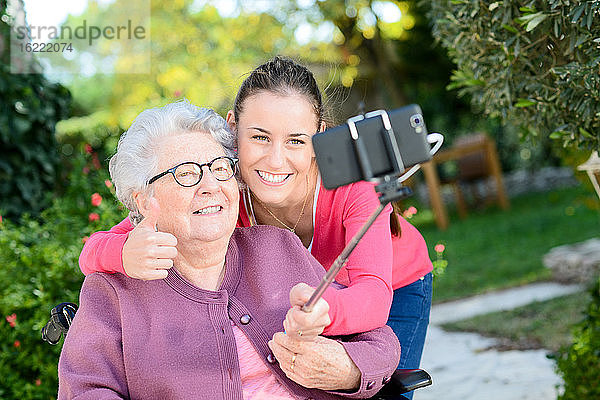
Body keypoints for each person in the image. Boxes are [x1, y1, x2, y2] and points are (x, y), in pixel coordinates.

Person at [79, 57, 432, 397]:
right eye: (260, 137)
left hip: (390, 285)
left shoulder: (351, 187)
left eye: (296, 140)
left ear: (319, 137)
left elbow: (372, 299)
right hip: (314, 298)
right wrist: (124, 253)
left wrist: (326, 316)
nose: (275, 160)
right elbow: (99, 248)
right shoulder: (222, 187)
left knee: (381, 388)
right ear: (234, 130)